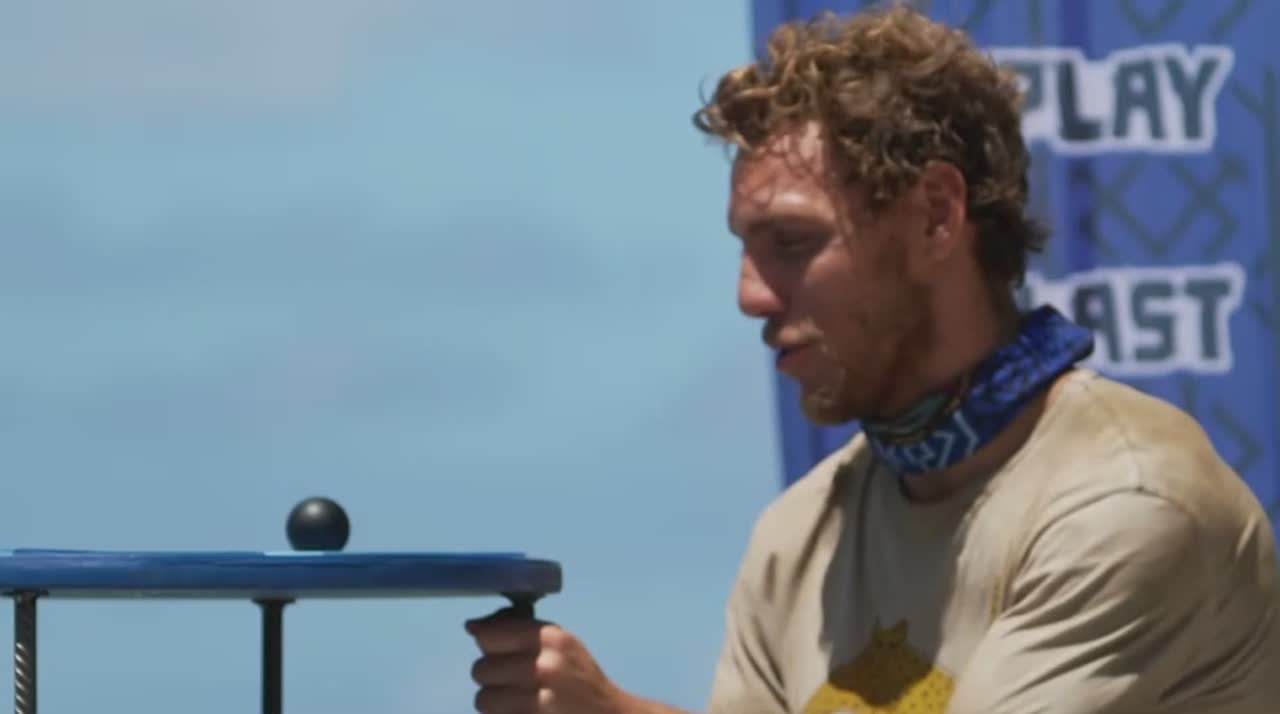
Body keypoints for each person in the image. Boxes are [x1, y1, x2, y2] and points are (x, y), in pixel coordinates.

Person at [464, 6, 1280, 713]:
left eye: (792, 242)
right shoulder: (796, 536)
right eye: (746, 248)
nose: (751, 295)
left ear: (936, 215)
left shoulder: (1126, 502)